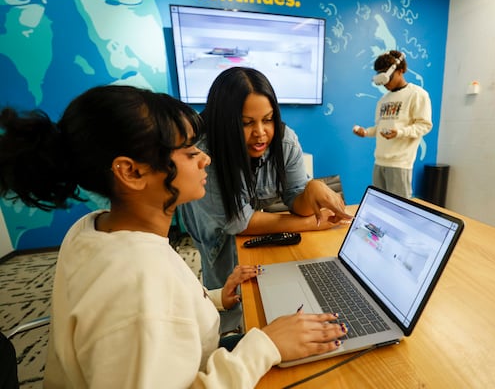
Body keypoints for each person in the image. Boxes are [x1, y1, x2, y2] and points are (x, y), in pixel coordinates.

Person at [0, 85, 347, 388]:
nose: (205, 159)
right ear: (131, 172)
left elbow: (158, 315)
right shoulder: (137, 285)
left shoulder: (96, 227)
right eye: (190, 151)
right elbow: (147, 312)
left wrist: (210, 298)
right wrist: (266, 346)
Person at [179, 67, 353, 333]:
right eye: (247, 123)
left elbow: (295, 197)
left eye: (268, 120)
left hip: (253, 236)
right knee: (227, 299)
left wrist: (311, 190)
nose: (260, 133)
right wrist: (313, 224)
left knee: (264, 297)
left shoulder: (285, 141)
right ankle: (227, 336)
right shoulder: (205, 154)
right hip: (216, 237)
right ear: (225, 121)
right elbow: (240, 222)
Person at [353, 50, 433, 198]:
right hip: (379, 162)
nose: (385, 83)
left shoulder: (416, 94)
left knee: (399, 210)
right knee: (379, 205)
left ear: (401, 70)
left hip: (400, 163)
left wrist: (400, 132)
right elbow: (380, 127)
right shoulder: (383, 99)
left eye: (388, 77)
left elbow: (425, 125)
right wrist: (366, 132)